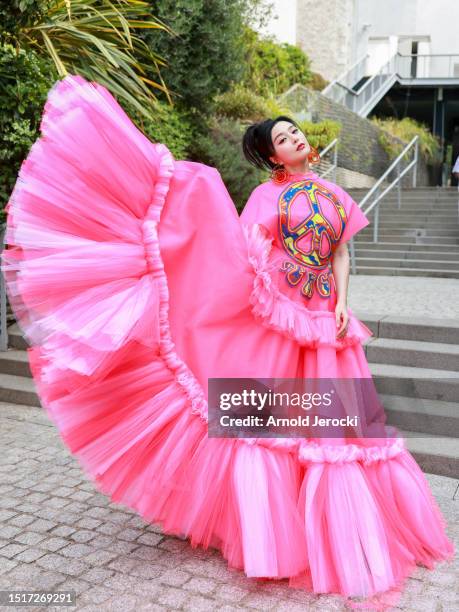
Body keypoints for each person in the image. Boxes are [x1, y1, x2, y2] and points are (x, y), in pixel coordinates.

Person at [0, 74, 454, 611]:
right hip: (277, 314)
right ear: (272, 158)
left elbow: (340, 255)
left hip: (325, 319)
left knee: (336, 423)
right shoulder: (266, 196)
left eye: (293, 132)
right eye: (281, 140)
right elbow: (240, 250)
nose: (293, 140)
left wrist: (339, 304)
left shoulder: (335, 194)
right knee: (270, 413)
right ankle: (268, 525)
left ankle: (338, 525)